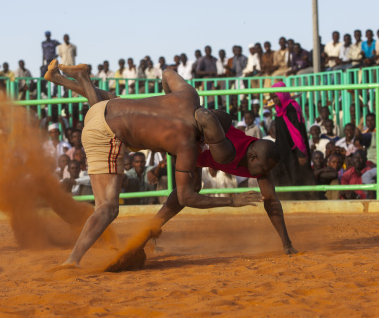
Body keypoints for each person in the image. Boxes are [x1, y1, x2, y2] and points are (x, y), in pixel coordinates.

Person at [44, 60, 297, 267]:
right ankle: (72, 260)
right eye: (261, 171)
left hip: (121, 119)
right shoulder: (193, 143)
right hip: (116, 134)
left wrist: (286, 243)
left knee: (115, 102)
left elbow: (271, 201)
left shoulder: (190, 100)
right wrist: (231, 200)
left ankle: (70, 79)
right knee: (109, 207)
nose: (261, 176)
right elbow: (187, 195)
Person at [270, 82, 317, 200]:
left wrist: (301, 153)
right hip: (284, 152)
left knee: (299, 177)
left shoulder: (291, 108)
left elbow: (298, 132)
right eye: (272, 97)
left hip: (295, 152)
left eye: (276, 96)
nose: (274, 100)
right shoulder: (279, 111)